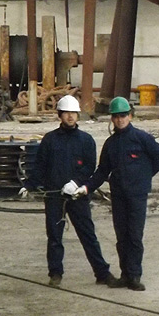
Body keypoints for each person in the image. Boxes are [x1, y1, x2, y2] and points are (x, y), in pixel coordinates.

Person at [19, 95, 120, 288]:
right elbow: (40, 166)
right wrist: (29, 185)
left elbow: (90, 167)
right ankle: (55, 273)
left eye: (73, 113)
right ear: (60, 115)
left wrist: (76, 183)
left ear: (78, 115)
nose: (70, 117)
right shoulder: (49, 140)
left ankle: (102, 273)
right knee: (55, 236)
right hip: (55, 196)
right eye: (66, 113)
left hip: (77, 196)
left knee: (88, 235)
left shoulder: (86, 140)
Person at [92, 97, 159, 292]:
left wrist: (143, 177)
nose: (120, 120)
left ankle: (134, 275)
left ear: (131, 115)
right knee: (122, 237)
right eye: (116, 117)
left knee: (134, 236)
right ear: (111, 119)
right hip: (118, 196)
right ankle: (125, 275)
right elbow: (102, 170)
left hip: (137, 196)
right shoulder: (111, 144)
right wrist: (86, 187)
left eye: (123, 116)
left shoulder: (142, 139)